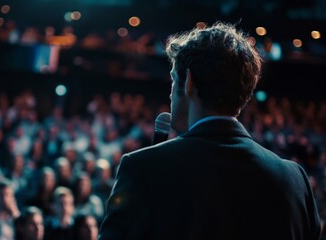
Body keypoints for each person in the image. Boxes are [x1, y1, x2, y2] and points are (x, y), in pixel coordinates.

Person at [98, 21, 321, 240]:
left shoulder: (142, 169)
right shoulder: (295, 180)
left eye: (173, 80)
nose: (170, 93)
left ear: (189, 83)